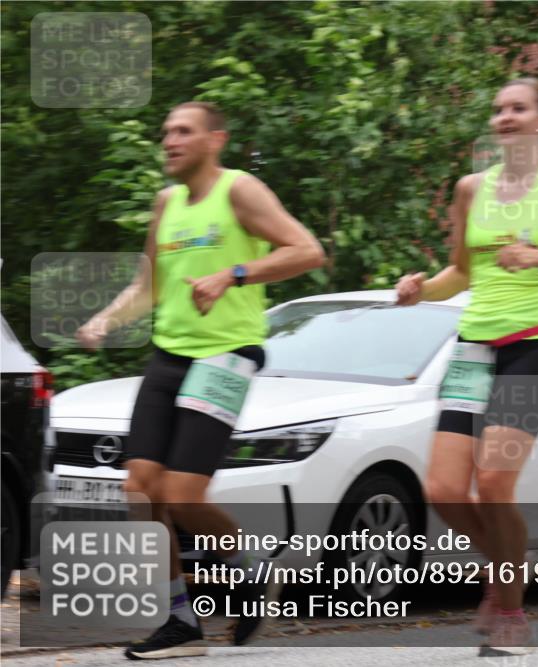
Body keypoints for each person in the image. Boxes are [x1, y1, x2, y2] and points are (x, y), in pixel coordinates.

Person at [76, 101, 325, 659]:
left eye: (183, 131)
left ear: (216, 140)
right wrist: (107, 318)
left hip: (226, 354)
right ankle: (182, 621)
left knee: (181, 493)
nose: (169, 140)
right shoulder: (166, 202)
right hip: (171, 353)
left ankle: (250, 572)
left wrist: (233, 273)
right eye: (165, 131)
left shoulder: (240, 191)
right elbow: (150, 284)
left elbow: (307, 250)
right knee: (140, 487)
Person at [395, 78, 538, 655]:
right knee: (441, 487)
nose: (505, 117)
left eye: (518, 108)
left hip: (535, 345)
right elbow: (460, 273)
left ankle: (510, 609)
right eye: (498, 110)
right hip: (473, 348)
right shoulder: (471, 188)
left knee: (492, 482)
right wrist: (423, 290)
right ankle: (509, 560)